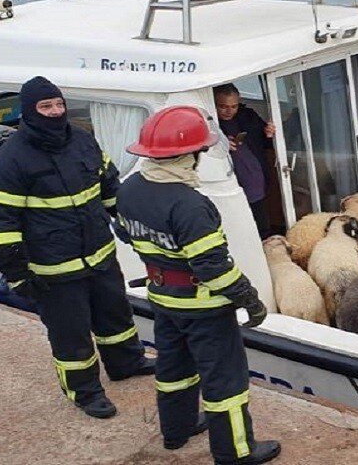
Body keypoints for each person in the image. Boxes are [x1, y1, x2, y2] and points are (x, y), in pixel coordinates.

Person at [116, 105, 281, 465]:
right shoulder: (190, 205)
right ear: (189, 156)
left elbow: (127, 235)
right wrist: (248, 298)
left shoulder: (129, 190)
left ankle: (177, 430)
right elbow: (213, 268)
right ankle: (235, 452)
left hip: (163, 299)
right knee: (225, 381)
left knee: (173, 368)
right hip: (204, 308)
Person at [0, 76, 154, 419]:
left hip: (100, 255)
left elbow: (108, 186)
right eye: (46, 106)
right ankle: (85, 391)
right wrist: (17, 273)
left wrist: (128, 223)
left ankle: (126, 362)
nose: (55, 111)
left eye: (59, 104)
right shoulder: (10, 159)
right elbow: (3, 222)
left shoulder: (83, 140)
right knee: (71, 335)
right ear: (29, 111)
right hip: (55, 269)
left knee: (115, 316)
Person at [213, 84, 276, 239]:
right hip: (228, 187)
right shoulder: (209, 124)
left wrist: (269, 134)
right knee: (238, 231)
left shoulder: (248, 116)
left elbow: (266, 144)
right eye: (223, 106)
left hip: (256, 182)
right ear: (213, 104)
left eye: (234, 106)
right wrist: (219, 145)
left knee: (262, 228)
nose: (229, 111)